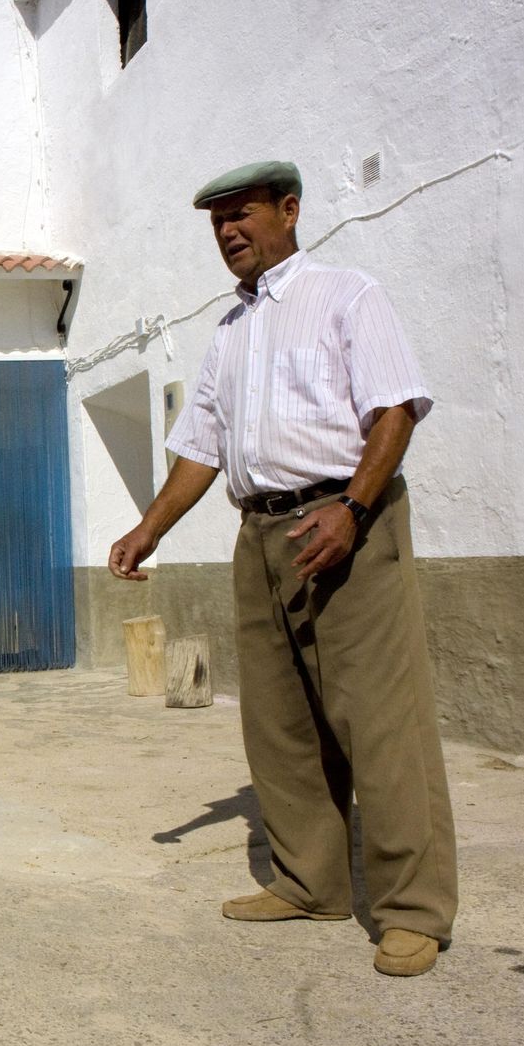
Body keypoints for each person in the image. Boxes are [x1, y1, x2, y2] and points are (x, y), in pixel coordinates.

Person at [108, 160, 457, 977]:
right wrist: (148, 529)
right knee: (280, 722)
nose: (230, 231)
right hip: (259, 532)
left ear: (288, 210)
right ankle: (310, 883)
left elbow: (396, 408)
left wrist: (354, 511)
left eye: (243, 214)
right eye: (217, 222)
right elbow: (201, 445)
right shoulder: (229, 333)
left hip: (346, 521)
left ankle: (414, 911)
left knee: (379, 721)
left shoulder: (346, 295)